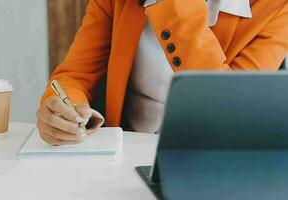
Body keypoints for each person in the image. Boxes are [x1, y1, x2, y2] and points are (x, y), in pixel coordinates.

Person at [37, 0, 288, 145]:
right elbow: (73, 76)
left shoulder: (277, 8)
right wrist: (62, 111)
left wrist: (177, 6)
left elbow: (228, 112)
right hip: (124, 153)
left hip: (207, 157)